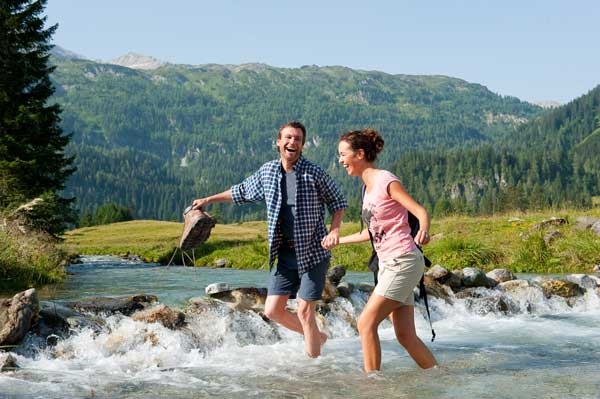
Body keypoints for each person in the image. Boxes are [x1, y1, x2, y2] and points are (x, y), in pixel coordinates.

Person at [192, 121, 347, 358]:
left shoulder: (314, 173)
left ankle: (314, 374)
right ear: (278, 142)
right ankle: (317, 337)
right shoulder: (267, 172)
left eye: (297, 139)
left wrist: (334, 230)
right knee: (273, 311)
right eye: (288, 137)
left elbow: (338, 202)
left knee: (305, 312)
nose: (292, 142)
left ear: (302, 145)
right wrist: (208, 200)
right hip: (284, 255)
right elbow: (240, 192)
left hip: (313, 253)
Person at [324, 128, 437, 373]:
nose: (340, 160)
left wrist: (424, 230)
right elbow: (371, 233)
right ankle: (439, 375)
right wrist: (338, 239)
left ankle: (372, 385)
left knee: (365, 323)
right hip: (389, 264)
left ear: (360, 153)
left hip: (403, 259)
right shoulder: (366, 189)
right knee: (406, 336)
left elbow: (420, 211)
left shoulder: (386, 180)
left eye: (343, 154)